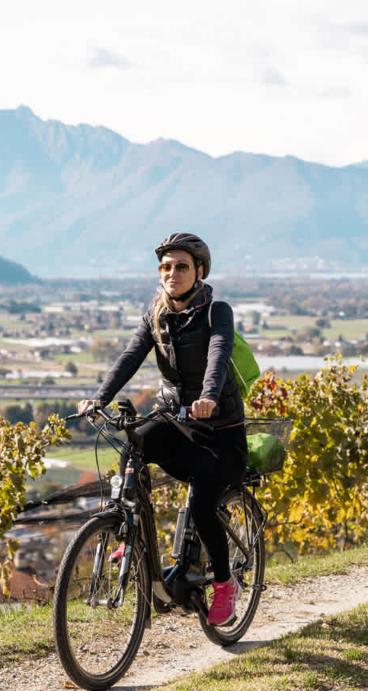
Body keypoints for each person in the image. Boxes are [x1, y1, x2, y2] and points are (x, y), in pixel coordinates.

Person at [78, 232, 247, 625]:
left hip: (219, 431)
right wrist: (99, 398)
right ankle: (128, 529)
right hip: (177, 421)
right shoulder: (156, 314)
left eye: (181, 267)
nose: (172, 273)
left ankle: (224, 583)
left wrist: (208, 398)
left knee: (203, 506)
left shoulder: (216, 311)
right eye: (166, 267)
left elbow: (218, 355)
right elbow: (130, 356)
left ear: (199, 271)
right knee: (135, 443)